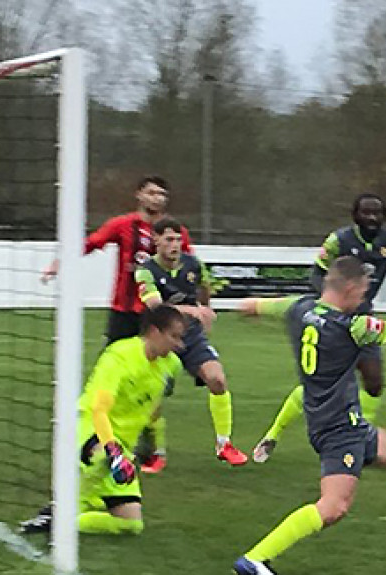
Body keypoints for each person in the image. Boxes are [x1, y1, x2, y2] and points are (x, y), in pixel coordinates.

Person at [232, 257, 386, 575]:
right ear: (348, 286)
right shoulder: (352, 326)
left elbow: (256, 305)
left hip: (340, 421)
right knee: (334, 506)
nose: (365, 293)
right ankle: (255, 559)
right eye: (363, 287)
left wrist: (249, 308)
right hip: (338, 430)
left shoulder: (298, 308)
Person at [252, 193, 386, 463]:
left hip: (363, 319)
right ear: (354, 215)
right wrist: (331, 302)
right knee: (319, 383)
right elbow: (316, 272)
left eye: (377, 213)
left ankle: (362, 436)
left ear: (385, 216)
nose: (371, 218)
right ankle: (272, 435)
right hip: (335, 321)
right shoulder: (339, 240)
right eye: (366, 213)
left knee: (374, 383)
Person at [20, 306, 186, 535]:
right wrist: (113, 450)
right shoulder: (119, 356)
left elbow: (155, 406)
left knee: (131, 525)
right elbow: (99, 409)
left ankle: (67, 520)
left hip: (123, 447)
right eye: (174, 336)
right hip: (92, 430)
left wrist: (156, 443)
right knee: (101, 459)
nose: (179, 344)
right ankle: (60, 510)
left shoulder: (171, 365)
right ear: (154, 332)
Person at [135, 218, 247, 467]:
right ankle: (155, 452)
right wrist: (192, 310)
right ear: (156, 241)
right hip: (161, 339)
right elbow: (155, 307)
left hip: (192, 335)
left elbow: (204, 287)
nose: (175, 245)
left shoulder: (193, 265)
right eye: (169, 239)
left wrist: (205, 309)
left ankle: (224, 444)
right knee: (155, 397)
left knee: (217, 379)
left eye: (178, 239)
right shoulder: (145, 270)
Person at [42, 175, 193, 344]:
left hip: (159, 309)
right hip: (125, 308)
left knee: (157, 361)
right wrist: (62, 261)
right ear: (139, 195)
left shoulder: (177, 232)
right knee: (112, 360)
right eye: (151, 193)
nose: (156, 198)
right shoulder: (123, 224)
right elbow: (91, 242)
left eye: (161, 194)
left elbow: (190, 264)